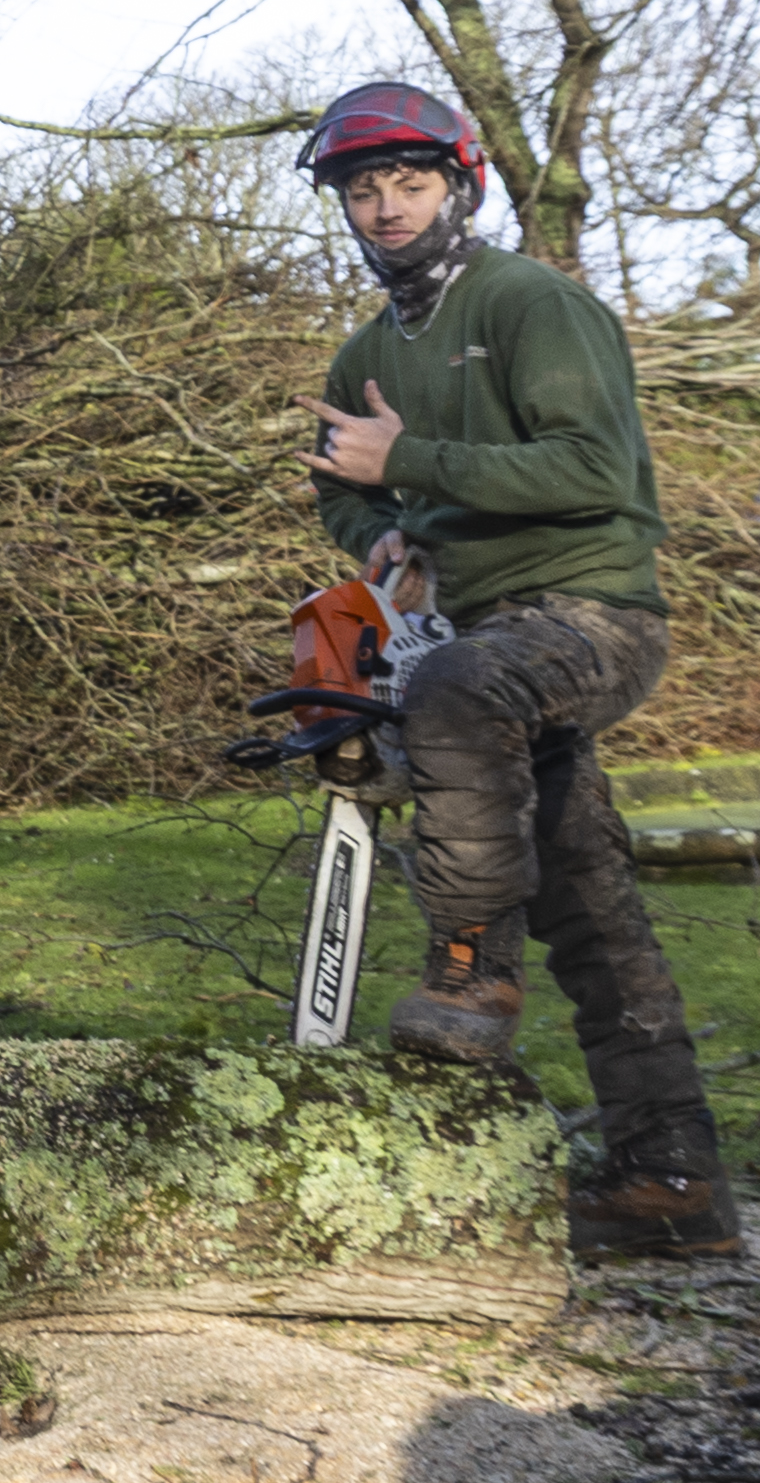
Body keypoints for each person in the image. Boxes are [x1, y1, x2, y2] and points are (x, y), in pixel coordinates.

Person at [297, 76, 730, 1259]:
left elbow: (595, 471)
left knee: (449, 693)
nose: (386, 207)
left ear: (460, 185)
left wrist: (412, 461)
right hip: (478, 634)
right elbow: (338, 486)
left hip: (591, 613)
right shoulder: (363, 352)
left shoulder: (534, 303)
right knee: (587, 903)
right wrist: (381, 534)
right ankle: (674, 1183)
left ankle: (467, 971)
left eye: (408, 182)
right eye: (362, 191)